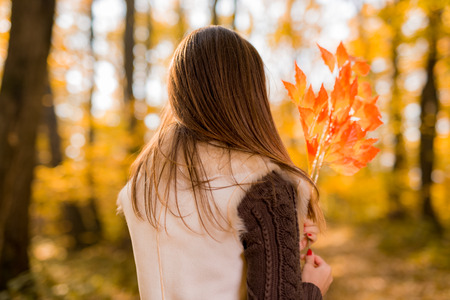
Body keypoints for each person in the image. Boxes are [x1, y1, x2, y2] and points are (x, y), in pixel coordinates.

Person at [117, 25, 333, 299]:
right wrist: (314, 287)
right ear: (249, 95)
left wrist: (281, 237)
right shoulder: (262, 185)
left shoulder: (142, 188)